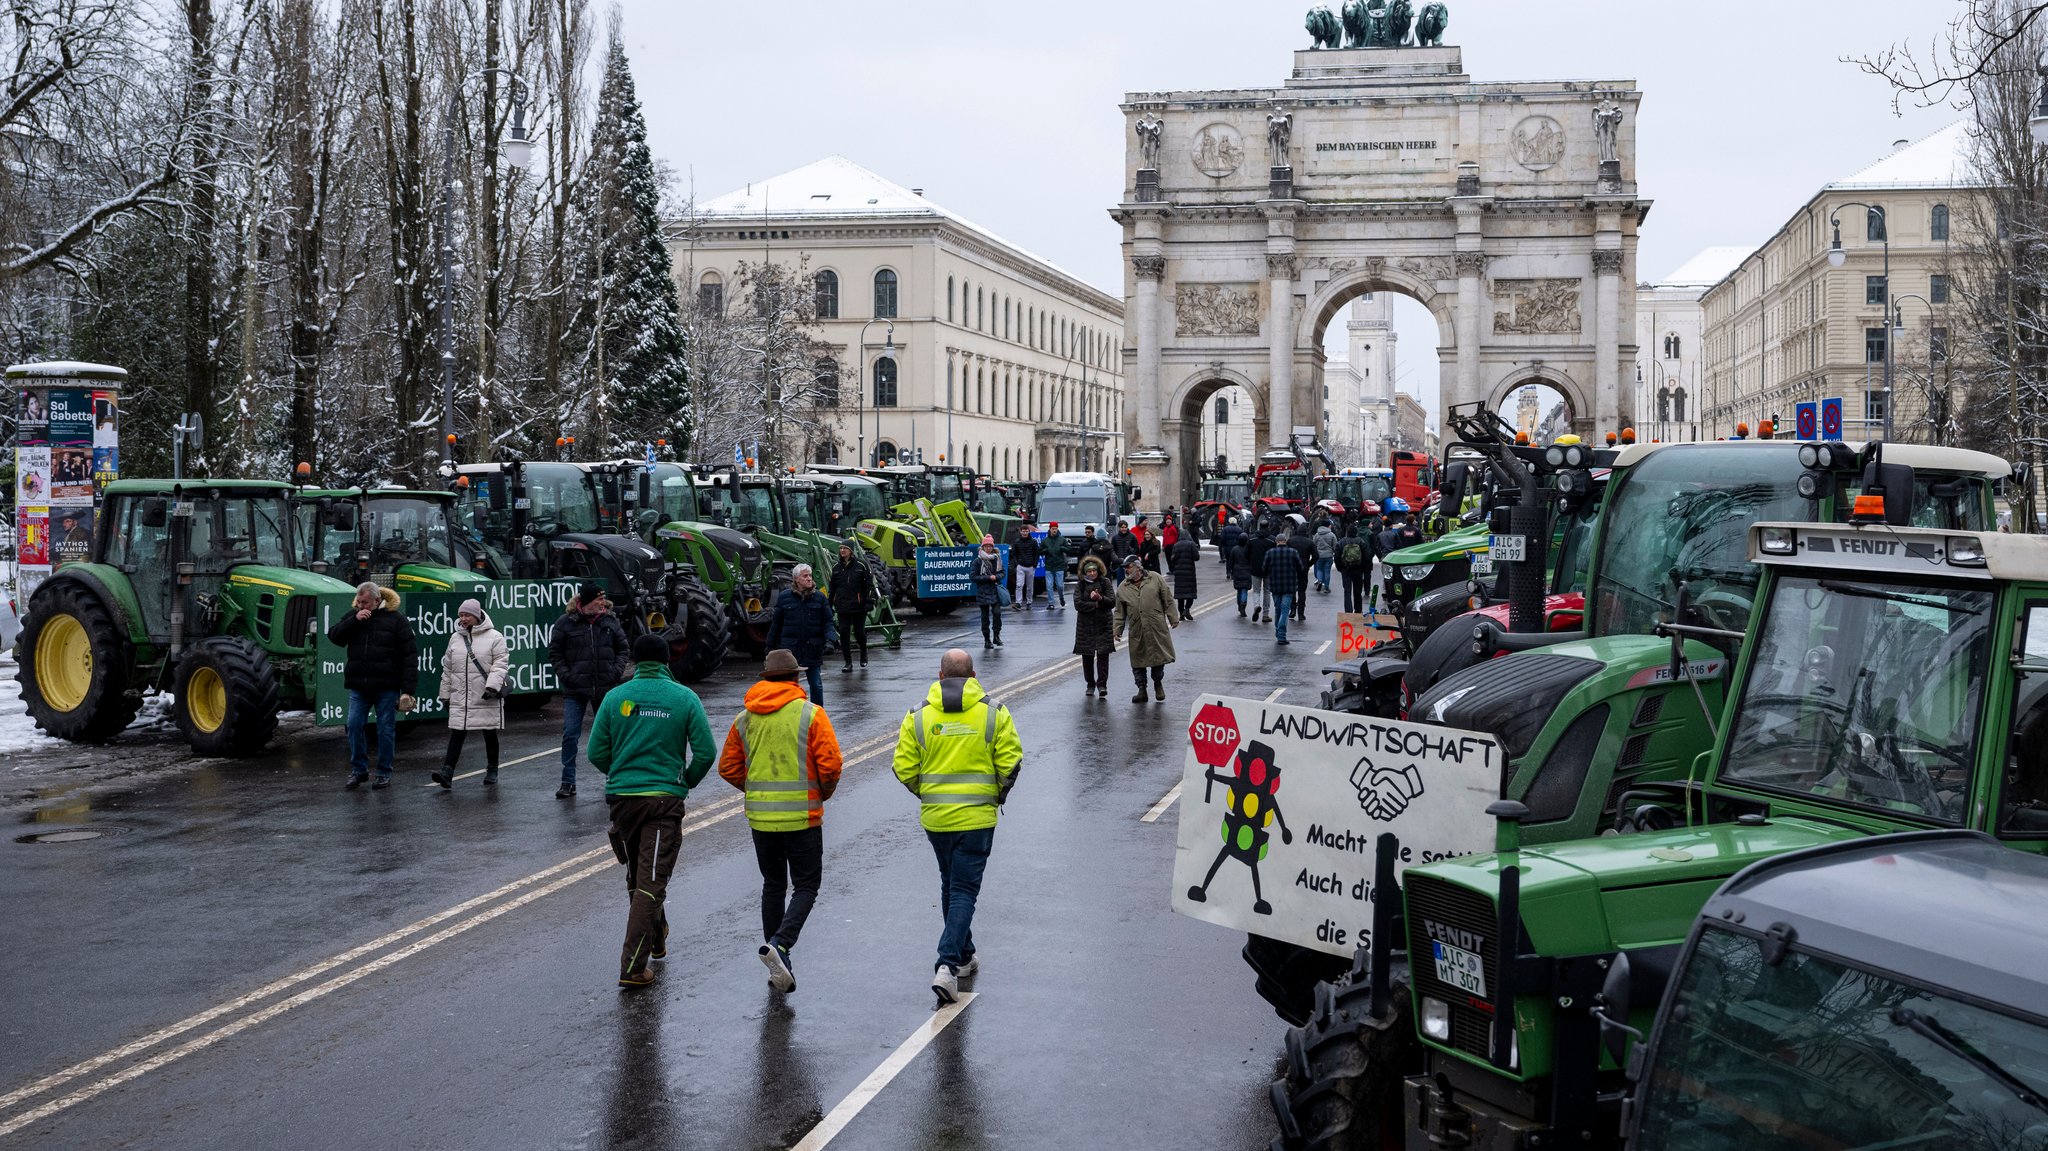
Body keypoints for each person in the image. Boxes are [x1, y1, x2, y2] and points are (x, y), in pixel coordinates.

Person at [892, 649, 1022, 1006]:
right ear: (974, 676)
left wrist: (928, 793)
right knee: (964, 889)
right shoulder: (993, 712)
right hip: (977, 819)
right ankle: (947, 965)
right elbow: (1011, 762)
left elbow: (903, 768)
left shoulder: (918, 716)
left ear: (940, 676)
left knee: (951, 884)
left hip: (936, 819)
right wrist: (994, 794)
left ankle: (964, 956)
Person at [591, 633, 717, 988]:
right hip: (663, 802)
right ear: (665, 662)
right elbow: (705, 753)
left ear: (636, 661)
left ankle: (657, 933)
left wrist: (620, 774)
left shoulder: (616, 697)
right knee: (649, 883)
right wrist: (683, 782)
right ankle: (632, 966)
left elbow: (595, 753)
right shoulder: (684, 698)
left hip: (623, 802)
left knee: (638, 878)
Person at [717, 649, 843, 994]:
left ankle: (778, 962)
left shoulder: (745, 718)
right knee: (806, 886)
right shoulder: (810, 714)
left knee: (773, 884)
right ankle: (781, 945)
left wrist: (756, 790)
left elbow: (727, 767)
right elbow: (830, 765)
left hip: (761, 818)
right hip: (802, 818)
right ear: (796, 678)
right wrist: (821, 794)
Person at [328, 582, 418, 789]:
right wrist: (354, 621)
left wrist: (408, 691)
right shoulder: (354, 616)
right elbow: (334, 636)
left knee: (385, 730)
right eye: (358, 602)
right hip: (359, 685)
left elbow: (410, 656)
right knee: (353, 725)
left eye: (365, 602)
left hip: (387, 686)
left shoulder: (396, 619)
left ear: (377, 601)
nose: (361, 606)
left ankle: (383, 772)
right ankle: (359, 771)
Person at [548, 582, 630, 799]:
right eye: (598, 600)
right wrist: (568, 677)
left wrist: (615, 672)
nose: (602, 604)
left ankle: (613, 779)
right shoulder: (565, 623)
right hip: (575, 689)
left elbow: (623, 648)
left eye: (603, 599)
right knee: (570, 735)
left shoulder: (610, 621)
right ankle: (568, 782)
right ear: (585, 602)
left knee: (610, 735)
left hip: (605, 687)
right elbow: (555, 653)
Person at [433, 598, 509, 790]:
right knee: (457, 733)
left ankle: (492, 770)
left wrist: (491, 687)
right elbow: (448, 668)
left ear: (476, 615)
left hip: (485, 694)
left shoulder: (495, 637)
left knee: (489, 731)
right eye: (460, 615)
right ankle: (447, 773)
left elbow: (500, 664)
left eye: (467, 615)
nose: (463, 618)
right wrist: (445, 695)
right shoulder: (455, 638)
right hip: (461, 695)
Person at [767, 563, 835, 703]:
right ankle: (789, 711)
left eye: (810, 575)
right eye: (805, 576)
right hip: (791, 650)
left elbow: (828, 622)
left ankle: (818, 713)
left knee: (816, 685)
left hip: (812, 649)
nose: (809, 578)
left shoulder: (820, 598)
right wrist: (770, 645)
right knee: (790, 686)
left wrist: (830, 641)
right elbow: (776, 624)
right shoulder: (785, 597)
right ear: (796, 579)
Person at [1115, 554, 1178, 702]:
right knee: (1138, 661)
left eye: (1128, 567)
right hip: (1137, 629)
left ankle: (1158, 684)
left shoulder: (1155, 578)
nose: (1126, 571)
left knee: (1157, 657)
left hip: (1156, 626)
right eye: (1124, 568)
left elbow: (1167, 599)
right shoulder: (1123, 588)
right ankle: (1141, 689)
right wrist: (1117, 630)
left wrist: (1173, 618)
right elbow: (1119, 612)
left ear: (1138, 567)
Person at [1072, 555, 1116, 697]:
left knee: (1103, 656)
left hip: (1103, 624)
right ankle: (1090, 684)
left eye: (1094, 571)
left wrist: (1100, 598)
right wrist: (1094, 604)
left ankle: (1102, 684)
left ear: (1098, 571)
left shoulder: (1105, 582)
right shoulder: (1080, 585)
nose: (1092, 573)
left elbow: (1112, 601)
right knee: (1087, 656)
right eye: (1089, 571)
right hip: (1086, 626)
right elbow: (1078, 604)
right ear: (1084, 573)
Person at [827, 544, 874, 672]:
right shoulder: (836, 568)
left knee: (859, 632)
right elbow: (832, 589)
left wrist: (868, 601)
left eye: (845, 548)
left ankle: (863, 652)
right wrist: (829, 604)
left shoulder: (861, 565)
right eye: (840, 548)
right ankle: (848, 662)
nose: (842, 550)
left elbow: (869, 585)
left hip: (859, 606)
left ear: (851, 551)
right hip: (842, 606)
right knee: (844, 632)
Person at [1262, 527, 1307, 645]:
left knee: (1277, 609)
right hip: (1289, 585)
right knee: (1285, 610)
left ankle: (1278, 633)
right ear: (1286, 541)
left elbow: (1264, 569)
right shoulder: (1293, 552)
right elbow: (1300, 568)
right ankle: (1281, 635)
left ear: (1276, 542)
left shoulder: (1270, 553)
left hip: (1275, 585)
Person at [973, 534, 1005, 649]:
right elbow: (973, 577)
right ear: (982, 547)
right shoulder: (977, 561)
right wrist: (988, 577)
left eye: (990, 546)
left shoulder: (997, 559)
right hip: (982, 592)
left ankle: (996, 636)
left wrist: (996, 577)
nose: (988, 548)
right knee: (984, 617)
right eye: (986, 546)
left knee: (997, 614)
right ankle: (987, 640)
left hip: (994, 590)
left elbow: (1002, 572)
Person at [1335, 521, 1372, 614]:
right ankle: (1358, 610)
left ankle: (1348, 610)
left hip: (1346, 569)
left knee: (1347, 591)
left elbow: (1336, 557)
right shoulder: (1361, 541)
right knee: (1357, 591)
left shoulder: (1341, 542)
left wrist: (1340, 568)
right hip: (1358, 570)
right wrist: (1363, 568)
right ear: (1356, 532)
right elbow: (1366, 556)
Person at [1168, 526, 1201, 622]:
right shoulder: (1191, 544)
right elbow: (1196, 557)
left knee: (1180, 594)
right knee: (1190, 593)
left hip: (1179, 572)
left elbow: (1172, 559)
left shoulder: (1176, 545)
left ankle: (1181, 613)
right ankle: (1187, 609)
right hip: (1189, 572)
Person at [1244, 528, 1274, 623]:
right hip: (1268, 569)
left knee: (1256, 590)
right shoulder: (1272, 540)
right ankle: (1265, 614)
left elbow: (1246, 553)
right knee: (1267, 591)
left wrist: (1251, 562)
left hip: (1255, 568)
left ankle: (1256, 606)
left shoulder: (1252, 539)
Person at [1289, 524, 1316, 623]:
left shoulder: (1291, 541)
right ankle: (1301, 613)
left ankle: (1292, 609)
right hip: (1304, 568)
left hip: (1292, 567)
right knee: (1302, 591)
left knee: (1292, 589)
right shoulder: (1310, 542)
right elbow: (1316, 555)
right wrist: (1309, 564)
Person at [1009, 523, 1039, 610]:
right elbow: (1014, 554)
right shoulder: (1017, 542)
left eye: (1026, 531)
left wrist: (1034, 565)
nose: (1025, 533)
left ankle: (1029, 602)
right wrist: (1017, 564)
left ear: (1029, 532)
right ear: (1020, 532)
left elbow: (1037, 553)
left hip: (1030, 567)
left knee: (1030, 586)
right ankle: (1018, 602)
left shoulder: (1033, 542)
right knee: (1019, 585)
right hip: (1021, 566)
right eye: (1023, 531)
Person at [1041, 523, 1068, 609]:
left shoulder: (1062, 539)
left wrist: (1062, 548)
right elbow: (1039, 551)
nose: (1054, 530)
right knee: (1049, 586)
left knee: (1060, 585)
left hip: (1059, 565)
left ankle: (1061, 597)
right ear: (1050, 529)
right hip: (1049, 566)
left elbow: (1069, 549)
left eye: (1055, 528)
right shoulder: (1045, 540)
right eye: (1053, 528)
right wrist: (1046, 550)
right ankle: (1051, 603)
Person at [1229, 533, 1255, 617]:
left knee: (1239, 590)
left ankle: (1239, 606)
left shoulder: (1235, 549)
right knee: (1244, 591)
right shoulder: (1249, 549)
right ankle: (1243, 606)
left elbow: (1231, 561)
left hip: (1237, 571)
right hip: (1247, 571)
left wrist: (1229, 571)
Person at [1312, 518, 1338, 594]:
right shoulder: (1332, 535)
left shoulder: (1317, 534)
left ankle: (1319, 580)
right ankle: (1326, 587)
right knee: (1327, 571)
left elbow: (1314, 545)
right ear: (1328, 526)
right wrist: (1333, 552)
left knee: (1319, 569)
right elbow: (1335, 546)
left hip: (1319, 556)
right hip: (1328, 556)